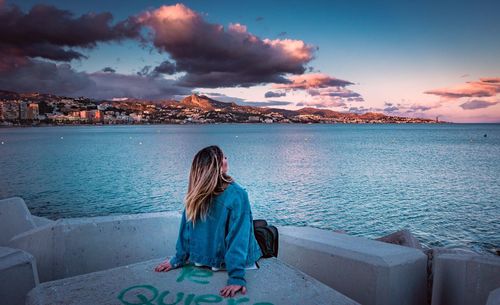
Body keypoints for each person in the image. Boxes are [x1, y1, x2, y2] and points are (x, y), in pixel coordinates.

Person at [154, 145, 263, 298]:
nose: (227, 160)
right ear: (218, 167)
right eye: (223, 158)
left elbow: (186, 232)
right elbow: (238, 238)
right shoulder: (237, 193)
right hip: (225, 264)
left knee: (259, 226)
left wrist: (177, 260)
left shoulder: (195, 194)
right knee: (264, 230)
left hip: (199, 259)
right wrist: (236, 277)